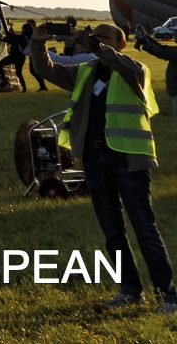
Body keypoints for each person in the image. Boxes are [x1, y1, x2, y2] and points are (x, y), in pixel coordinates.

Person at [33, 23, 174, 311]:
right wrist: (37, 43)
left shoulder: (135, 70)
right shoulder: (85, 72)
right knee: (112, 231)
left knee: (144, 228)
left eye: (105, 35)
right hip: (95, 160)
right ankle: (130, 290)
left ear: (121, 44)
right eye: (95, 34)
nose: (97, 39)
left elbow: (120, 64)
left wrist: (96, 46)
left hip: (128, 160)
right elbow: (47, 70)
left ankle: (168, 294)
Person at [22, 19, 52, 91]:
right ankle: (42, 86)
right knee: (33, 70)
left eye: (29, 24)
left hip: (34, 53)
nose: (27, 25)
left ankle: (43, 86)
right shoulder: (34, 31)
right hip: (32, 53)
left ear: (33, 24)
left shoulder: (35, 32)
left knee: (33, 70)